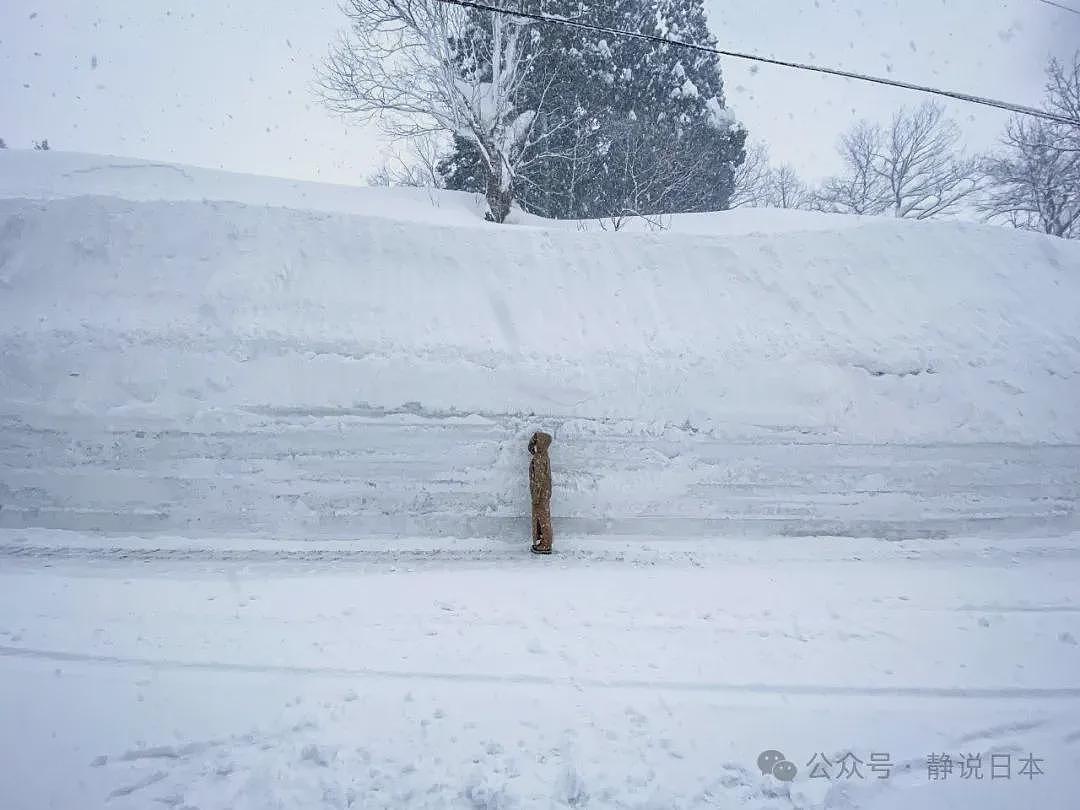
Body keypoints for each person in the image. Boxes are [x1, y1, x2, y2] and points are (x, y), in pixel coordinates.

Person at [528, 431, 553, 554]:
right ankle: (545, 542)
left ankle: (545, 544)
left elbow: (538, 479)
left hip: (540, 493)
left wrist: (536, 495)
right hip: (545, 491)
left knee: (542, 518)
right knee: (544, 517)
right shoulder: (545, 456)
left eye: (536, 442)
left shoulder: (539, 458)